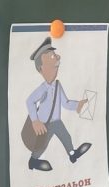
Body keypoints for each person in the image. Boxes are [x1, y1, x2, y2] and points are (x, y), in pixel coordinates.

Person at [24, 37, 91, 171]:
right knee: (42, 144)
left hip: (57, 121)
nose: (57, 58)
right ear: (41, 68)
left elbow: (65, 103)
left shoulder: (58, 85)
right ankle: (33, 161)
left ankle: (72, 154)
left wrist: (78, 105)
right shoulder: (43, 88)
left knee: (66, 136)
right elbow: (30, 101)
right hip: (45, 124)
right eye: (52, 56)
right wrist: (35, 121)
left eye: (55, 55)